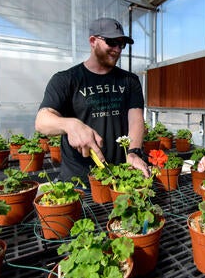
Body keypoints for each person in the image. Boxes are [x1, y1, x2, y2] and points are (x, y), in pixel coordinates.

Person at [35, 17, 149, 182]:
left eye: (121, 44)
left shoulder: (129, 80)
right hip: (79, 179)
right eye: (111, 42)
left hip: (120, 174)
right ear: (93, 41)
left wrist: (134, 152)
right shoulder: (66, 79)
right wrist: (70, 124)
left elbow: (136, 119)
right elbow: (42, 121)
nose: (117, 49)